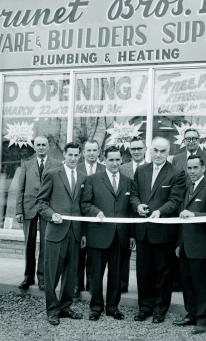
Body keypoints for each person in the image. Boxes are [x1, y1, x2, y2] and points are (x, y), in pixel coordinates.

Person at [130, 136, 186, 324]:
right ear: (150, 150)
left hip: (163, 232)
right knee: (143, 272)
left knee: (163, 273)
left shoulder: (177, 173)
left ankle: (160, 310)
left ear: (168, 152)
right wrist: (138, 206)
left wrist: (159, 212)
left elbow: (175, 200)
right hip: (143, 231)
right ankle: (144, 308)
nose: (159, 154)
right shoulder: (141, 170)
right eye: (156, 150)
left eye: (163, 151)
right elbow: (134, 194)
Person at [81, 146, 134, 321]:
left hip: (120, 236)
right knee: (96, 274)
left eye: (117, 159)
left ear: (121, 160)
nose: (114, 163)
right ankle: (96, 307)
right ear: (104, 160)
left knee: (117, 274)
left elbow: (130, 209)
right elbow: (85, 204)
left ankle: (113, 307)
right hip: (98, 234)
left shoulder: (128, 181)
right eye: (110, 159)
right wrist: (96, 212)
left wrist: (132, 234)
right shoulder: (92, 180)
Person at [36, 142, 86, 326]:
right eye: (70, 155)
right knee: (52, 274)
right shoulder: (52, 174)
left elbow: (83, 206)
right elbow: (41, 202)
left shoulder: (83, 177)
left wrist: (83, 234)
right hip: (56, 232)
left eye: (76, 155)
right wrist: (51, 215)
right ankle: (52, 309)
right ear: (64, 155)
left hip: (75, 232)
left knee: (71, 273)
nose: (73, 158)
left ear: (80, 156)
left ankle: (65, 307)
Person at [174, 155, 206, 335]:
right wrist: (180, 243)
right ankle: (191, 313)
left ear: (203, 168)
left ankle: (203, 319)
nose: (192, 171)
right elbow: (182, 218)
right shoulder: (188, 187)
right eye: (189, 168)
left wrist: (194, 215)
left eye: (195, 168)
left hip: (201, 247)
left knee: (201, 283)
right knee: (187, 282)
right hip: (186, 245)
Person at [171, 128, 206, 291]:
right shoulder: (177, 159)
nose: (191, 141)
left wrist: (195, 213)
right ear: (183, 141)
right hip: (183, 225)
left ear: (200, 140)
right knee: (186, 277)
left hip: (200, 231)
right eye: (188, 138)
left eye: (194, 138)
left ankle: (200, 314)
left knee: (200, 278)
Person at [15, 136, 58, 291]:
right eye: (38, 145)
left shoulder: (56, 164)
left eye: (43, 145)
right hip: (29, 208)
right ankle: (28, 278)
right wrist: (19, 210)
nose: (41, 147)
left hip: (47, 208)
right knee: (29, 245)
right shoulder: (26, 165)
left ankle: (43, 279)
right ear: (34, 147)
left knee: (46, 245)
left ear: (48, 147)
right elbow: (20, 189)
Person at [76, 139, 106, 295]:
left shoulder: (105, 169)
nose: (92, 153)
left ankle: (92, 285)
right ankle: (77, 285)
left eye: (95, 150)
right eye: (89, 150)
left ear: (99, 152)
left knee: (95, 255)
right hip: (80, 217)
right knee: (79, 252)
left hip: (97, 217)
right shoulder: (77, 168)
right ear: (83, 152)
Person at [118, 136, 147, 293]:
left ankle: (145, 288)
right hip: (127, 215)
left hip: (145, 216)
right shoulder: (122, 168)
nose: (136, 151)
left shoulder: (151, 167)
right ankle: (122, 284)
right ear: (129, 150)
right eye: (133, 149)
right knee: (124, 251)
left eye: (139, 148)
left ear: (145, 150)